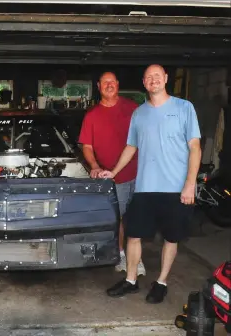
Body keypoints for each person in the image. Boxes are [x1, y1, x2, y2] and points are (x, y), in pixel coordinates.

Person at [100, 64, 201, 304]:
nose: (153, 80)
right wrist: (113, 172)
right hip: (144, 187)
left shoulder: (184, 108)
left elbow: (195, 147)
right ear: (144, 84)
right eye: (148, 78)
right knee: (133, 234)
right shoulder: (139, 113)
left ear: (165, 78)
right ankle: (131, 280)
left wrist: (190, 184)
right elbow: (131, 147)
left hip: (175, 188)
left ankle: (162, 282)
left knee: (171, 237)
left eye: (157, 76)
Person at [79, 71, 146, 276]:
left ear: (118, 84)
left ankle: (137, 258)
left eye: (112, 82)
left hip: (139, 174)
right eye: (105, 82)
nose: (109, 85)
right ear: (98, 86)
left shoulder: (133, 108)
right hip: (113, 178)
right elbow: (87, 146)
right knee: (117, 219)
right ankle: (121, 254)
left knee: (137, 217)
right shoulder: (92, 115)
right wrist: (95, 166)